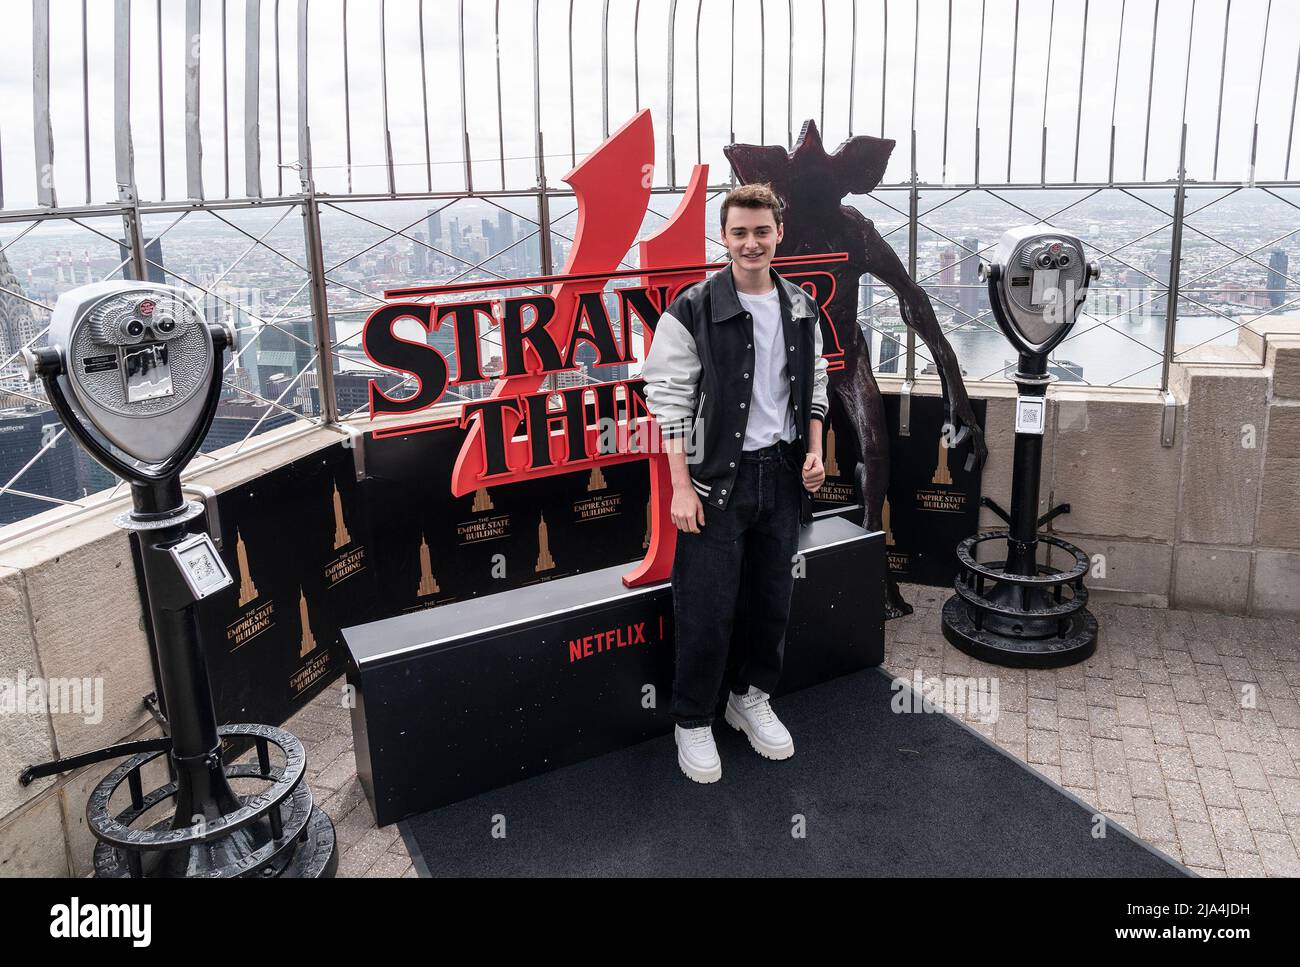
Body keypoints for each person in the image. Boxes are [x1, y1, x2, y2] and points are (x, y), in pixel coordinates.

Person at [641, 182, 828, 783]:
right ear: (723, 238)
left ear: (779, 235)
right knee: (706, 605)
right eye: (739, 232)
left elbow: (814, 386)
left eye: (761, 231)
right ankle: (692, 719)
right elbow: (668, 404)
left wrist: (815, 455)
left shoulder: (800, 306)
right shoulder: (692, 308)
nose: (751, 242)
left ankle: (749, 697)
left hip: (783, 473)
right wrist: (680, 487)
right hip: (716, 482)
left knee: (773, 599)